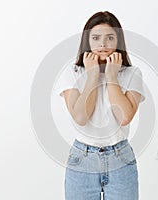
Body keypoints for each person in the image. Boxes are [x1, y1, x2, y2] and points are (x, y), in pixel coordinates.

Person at [57, 11, 146, 200]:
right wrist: (93, 76)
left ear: (118, 41)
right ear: (87, 41)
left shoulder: (132, 74)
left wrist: (112, 76)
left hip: (120, 159)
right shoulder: (72, 72)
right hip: (82, 160)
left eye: (110, 38)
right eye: (96, 38)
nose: (103, 45)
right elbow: (81, 117)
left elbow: (124, 117)